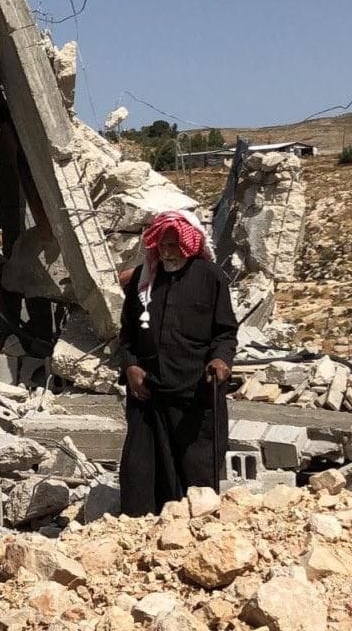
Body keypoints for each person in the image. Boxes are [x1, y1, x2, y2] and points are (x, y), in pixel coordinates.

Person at [116, 210, 238, 516]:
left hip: (194, 394)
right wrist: (130, 366)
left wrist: (220, 360)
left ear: (189, 243)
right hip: (149, 393)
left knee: (195, 475)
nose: (168, 252)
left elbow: (225, 332)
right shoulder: (141, 283)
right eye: (162, 245)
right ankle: (137, 535)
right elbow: (127, 334)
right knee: (140, 471)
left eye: (174, 245)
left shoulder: (210, 278)